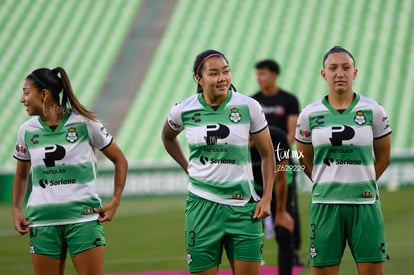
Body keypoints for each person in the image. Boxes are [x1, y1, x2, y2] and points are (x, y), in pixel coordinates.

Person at [161, 49, 276, 275]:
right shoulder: (183, 109)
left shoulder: (249, 106)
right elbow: (167, 137)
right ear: (199, 78)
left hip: (244, 208)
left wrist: (267, 197)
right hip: (201, 208)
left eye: (226, 71)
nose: (222, 78)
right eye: (214, 73)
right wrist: (187, 167)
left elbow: (268, 154)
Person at [12, 67, 128, 275]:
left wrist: (115, 202)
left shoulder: (85, 123)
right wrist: (16, 209)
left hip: (83, 220)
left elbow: (120, 160)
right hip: (42, 222)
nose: (23, 99)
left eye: (26, 92)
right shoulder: (26, 130)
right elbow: (21, 176)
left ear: (44, 94)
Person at [295, 46, 391, 275]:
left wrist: (363, 182)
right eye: (333, 68)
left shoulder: (374, 110)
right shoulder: (309, 114)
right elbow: (303, 158)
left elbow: (384, 157)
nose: (340, 73)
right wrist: (326, 181)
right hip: (325, 206)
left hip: (365, 206)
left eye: (346, 68)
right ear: (323, 74)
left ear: (355, 73)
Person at [252, 59, 303, 265]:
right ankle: (256, 252)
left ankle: (295, 253)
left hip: (283, 157)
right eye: (258, 74)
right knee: (257, 203)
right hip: (258, 159)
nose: (259, 78)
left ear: (274, 74)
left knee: (289, 206)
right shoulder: (253, 101)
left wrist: (277, 149)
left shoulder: (289, 100)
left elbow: (291, 132)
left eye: (263, 73)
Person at [250, 126, 294, 275]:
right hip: (252, 186)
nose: (248, 141)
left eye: (251, 136)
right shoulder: (236, 140)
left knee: (283, 231)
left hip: (279, 184)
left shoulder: (278, 138)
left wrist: (281, 211)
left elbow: (281, 178)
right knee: (250, 233)